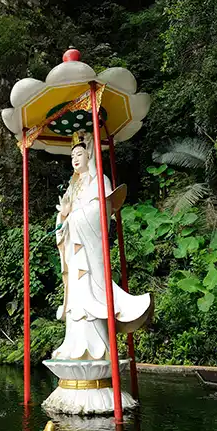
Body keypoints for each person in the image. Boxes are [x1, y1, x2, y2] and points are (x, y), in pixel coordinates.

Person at [52, 130, 152, 361]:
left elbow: (100, 215)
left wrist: (73, 217)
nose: (75, 159)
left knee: (93, 295)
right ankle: (73, 346)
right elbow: (63, 219)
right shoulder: (72, 188)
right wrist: (64, 217)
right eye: (72, 157)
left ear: (89, 156)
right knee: (77, 303)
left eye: (79, 154)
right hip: (75, 253)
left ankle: (99, 348)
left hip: (90, 251)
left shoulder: (100, 181)